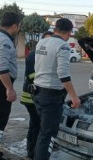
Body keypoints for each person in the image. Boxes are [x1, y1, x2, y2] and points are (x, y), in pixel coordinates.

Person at [33, 18, 81, 160]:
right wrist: (74, 96)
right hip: (51, 97)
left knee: (42, 134)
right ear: (69, 32)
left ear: (55, 29)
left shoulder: (41, 42)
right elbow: (63, 74)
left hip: (37, 93)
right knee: (48, 137)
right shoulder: (63, 46)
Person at [21, 31, 53, 159]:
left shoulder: (44, 54)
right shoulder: (34, 54)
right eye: (47, 40)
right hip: (31, 97)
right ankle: (32, 153)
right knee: (36, 125)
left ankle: (33, 152)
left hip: (36, 97)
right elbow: (32, 75)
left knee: (35, 125)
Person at [0, 12, 21, 156]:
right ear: (14, 25)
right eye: (19, 26)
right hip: (2, 85)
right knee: (2, 116)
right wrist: (9, 88)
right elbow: (2, 68)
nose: (19, 29)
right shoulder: (5, 41)